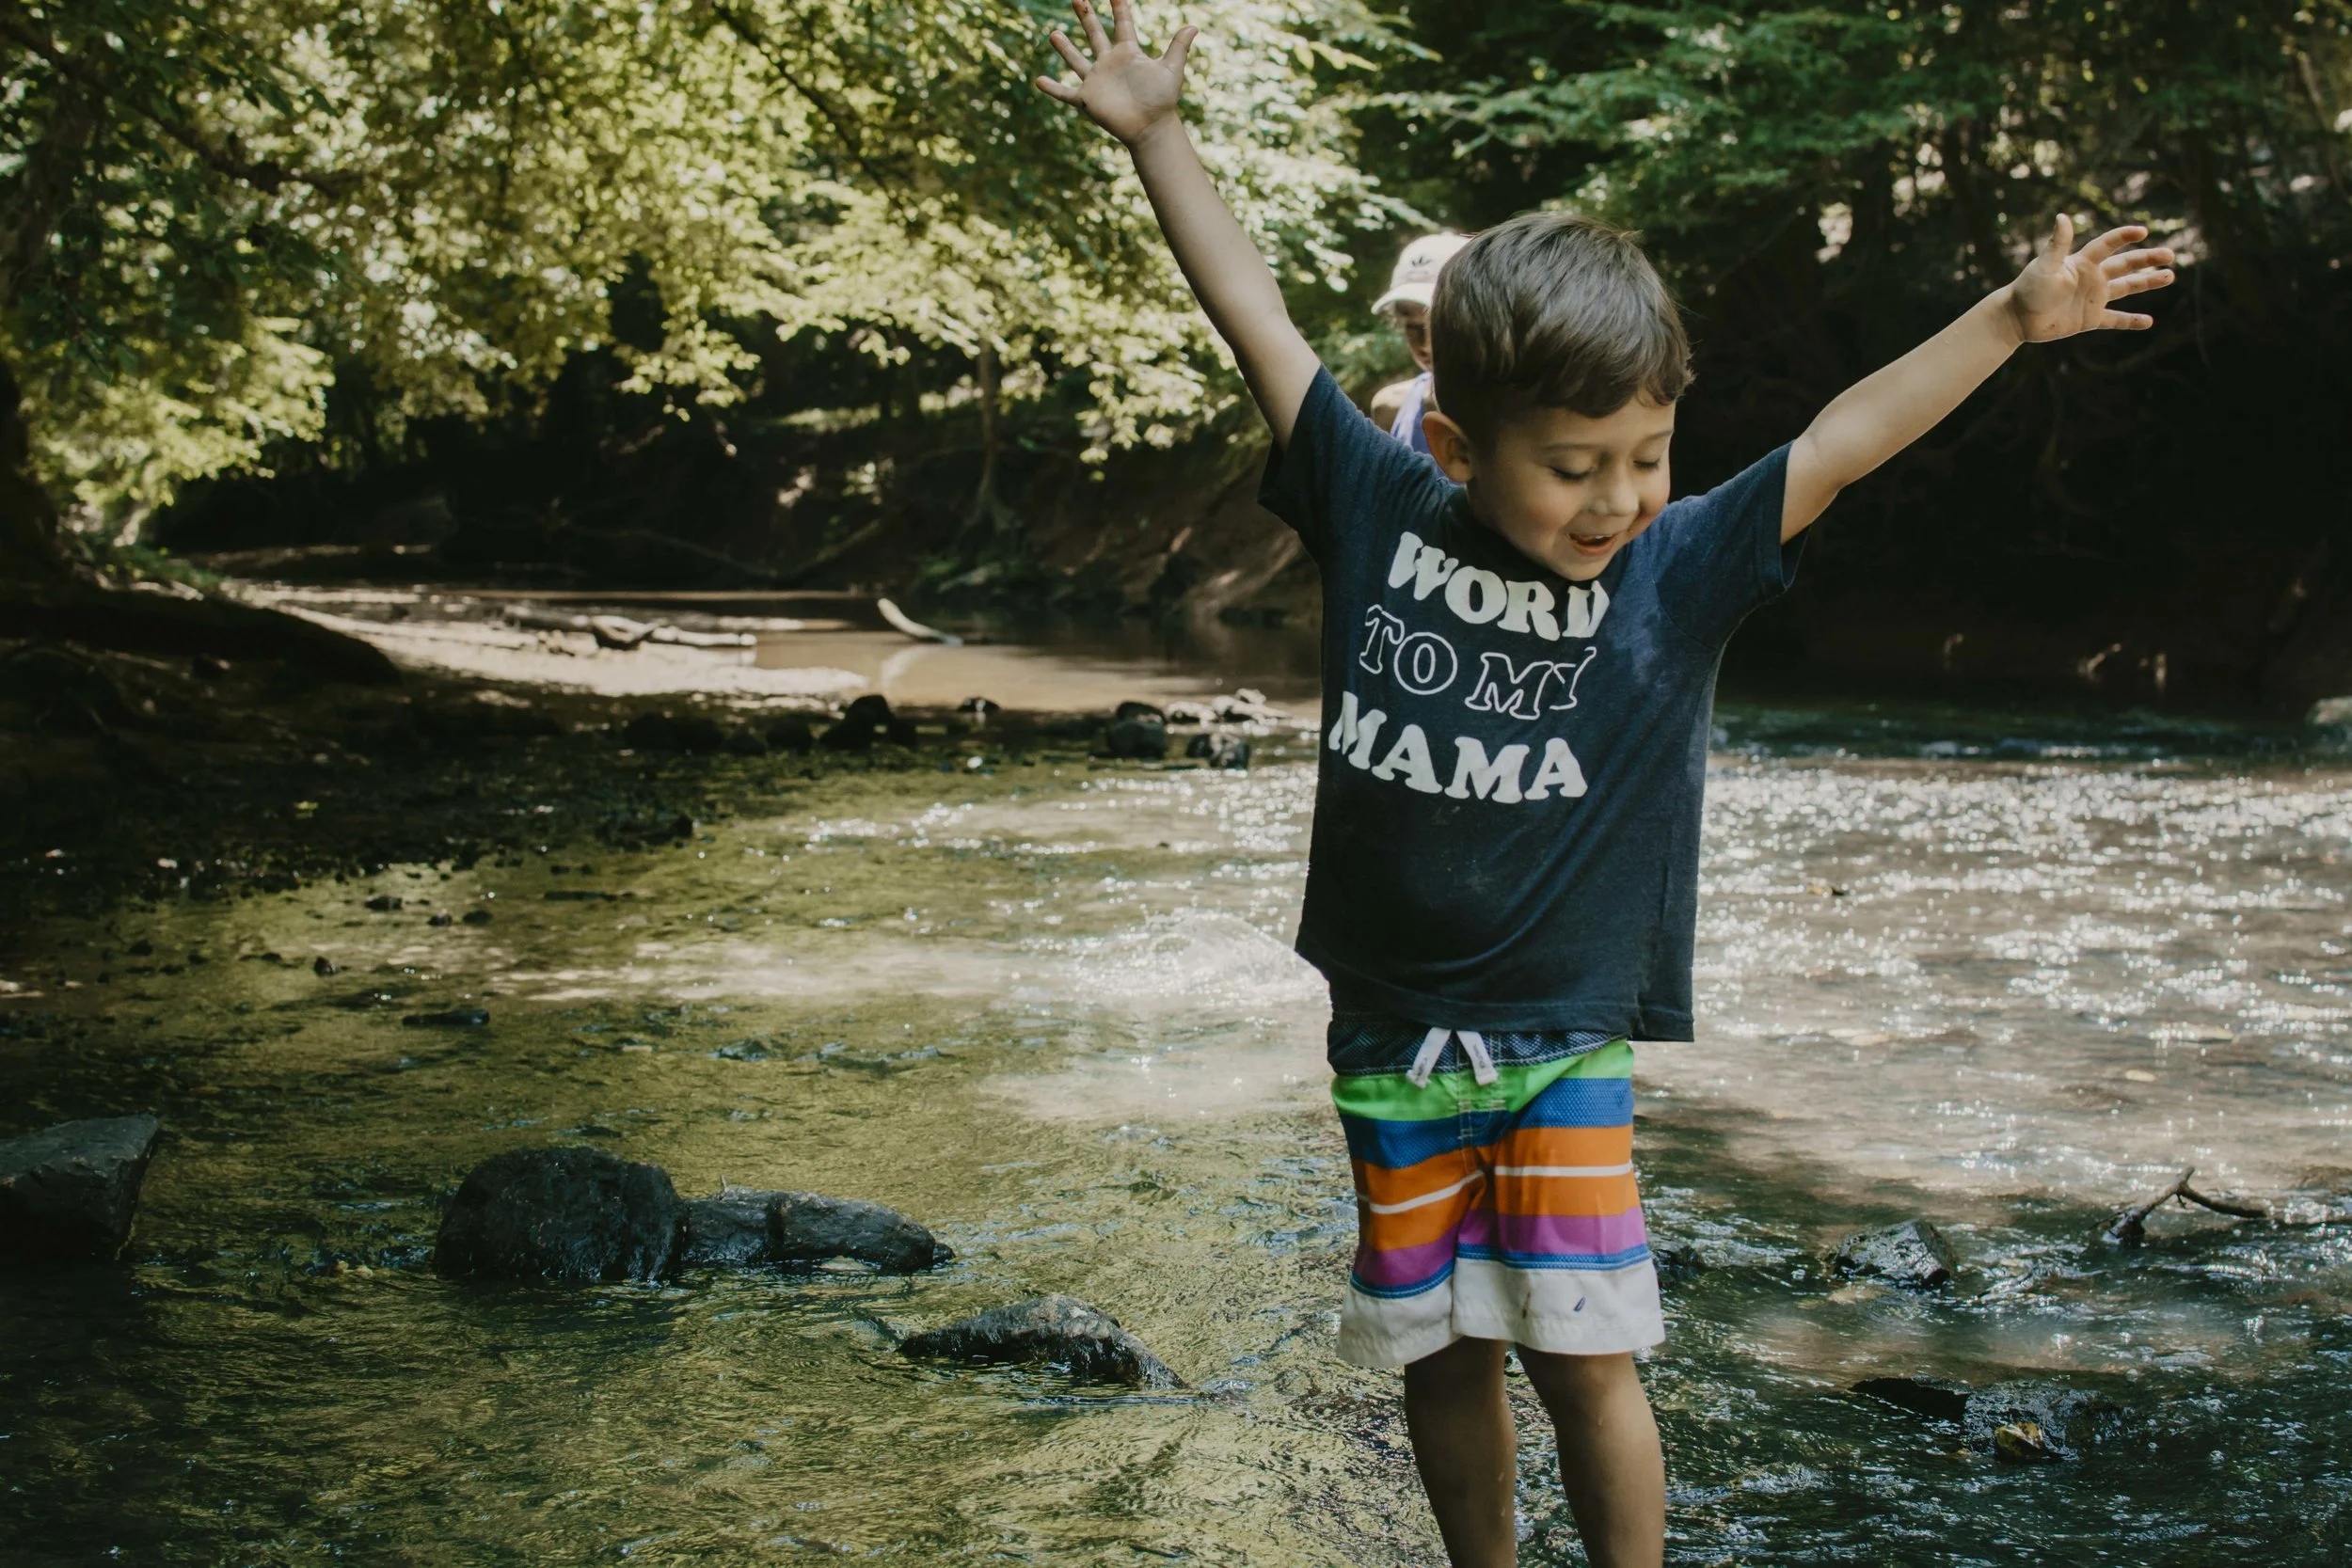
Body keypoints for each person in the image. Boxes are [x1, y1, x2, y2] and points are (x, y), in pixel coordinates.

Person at [1033, 5, 2174, 1563]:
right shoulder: (1378, 508)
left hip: (1562, 1040)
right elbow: (1261, 324)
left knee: (1587, 1354)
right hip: (1388, 1030)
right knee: (1440, 1350)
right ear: (1456, 444)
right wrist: (1161, 134)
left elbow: (1843, 438)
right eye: (1574, 466)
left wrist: (2007, 317)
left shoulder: (1678, 564)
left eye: (1646, 452)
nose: (1619, 496)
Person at [1368, 231, 1468, 452]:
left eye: (1440, 324)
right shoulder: (1391, 409)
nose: (1426, 344)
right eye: (1412, 327)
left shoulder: (1517, 412)